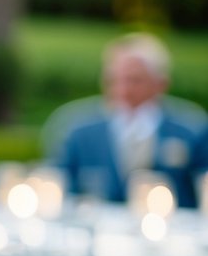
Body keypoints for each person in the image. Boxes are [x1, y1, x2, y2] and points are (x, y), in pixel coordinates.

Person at [54, 33, 208, 208]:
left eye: (134, 81)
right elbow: (59, 184)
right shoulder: (79, 128)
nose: (123, 90)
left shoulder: (190, 127)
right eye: (114, 80)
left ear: (160, 84)